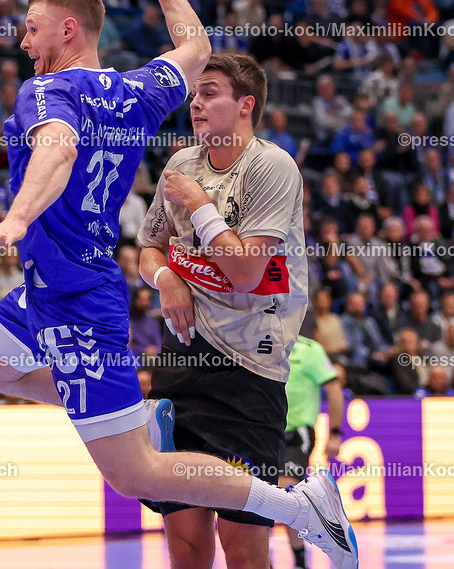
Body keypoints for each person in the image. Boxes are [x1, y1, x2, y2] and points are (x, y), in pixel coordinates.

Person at [0, 0, 358, 569]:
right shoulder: (132, 93)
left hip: (74, 300)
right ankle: (140, 407)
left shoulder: (48, 89)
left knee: (140, 474)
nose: (22, 39)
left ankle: (300, 506)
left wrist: (18, 219)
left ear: (68, 29)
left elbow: (56, 149)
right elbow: (196, 45)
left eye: (32, 27)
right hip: (53, 286)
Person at [135, 53, 317, 567]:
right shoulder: (180, 164)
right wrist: (166, 277)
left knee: (241, 545)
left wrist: (198, 204)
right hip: (181, 359)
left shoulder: (271, 166)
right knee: (186, 544)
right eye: (195, 93)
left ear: (245, 105)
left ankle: (307, 508)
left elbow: (244, 272)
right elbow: (147, 250)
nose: (195, 103)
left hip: (248, 367)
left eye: (209, 92)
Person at [278, 334, 347, 569]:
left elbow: (334, 388)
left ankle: (299, 560)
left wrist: (335, 432)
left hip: (296, 434)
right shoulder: (256, 342)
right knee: (256, 498)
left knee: (287, 490)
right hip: (262, 432)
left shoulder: (310, 349)